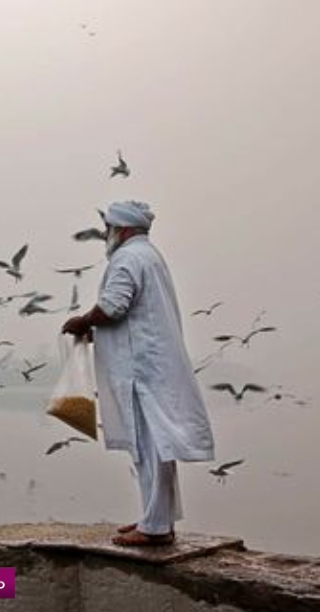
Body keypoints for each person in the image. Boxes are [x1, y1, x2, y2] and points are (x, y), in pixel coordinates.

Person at [61, 200, 214, 546]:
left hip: (140, 369)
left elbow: (114, 306)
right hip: (151, 364)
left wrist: (82, 322)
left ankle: (155, 527)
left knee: (150, 445)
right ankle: (155, 519)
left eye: (109, 230)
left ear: (124, 230)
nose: (105, 236)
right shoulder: (149, 255)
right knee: (152, 445)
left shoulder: (128, 258)